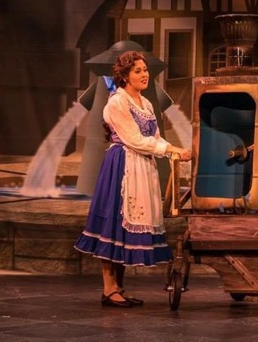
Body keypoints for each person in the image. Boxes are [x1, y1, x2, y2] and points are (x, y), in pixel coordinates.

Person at [74, 50, 192, 308]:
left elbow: (155, 137)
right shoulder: (117, 102)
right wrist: (170, 149)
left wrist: (173, 151)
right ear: (125, 76)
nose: (144, 74)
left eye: (145, 70)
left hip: (143, 166)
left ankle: (118, 287)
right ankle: (108, 289)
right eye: (138, 71)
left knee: (125, 230)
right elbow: (134, 140)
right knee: (113, 226)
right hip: (122, 166)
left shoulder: (146, 103)